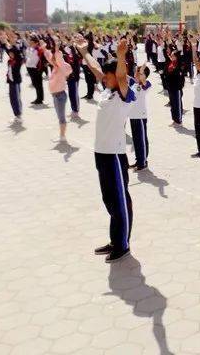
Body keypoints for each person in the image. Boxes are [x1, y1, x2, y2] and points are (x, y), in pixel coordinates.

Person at [75, 36, 135, 263]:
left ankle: (123, 244)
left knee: (120, 201)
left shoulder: (123, 93)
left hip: (115, 155)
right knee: (109, 199)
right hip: (100, 153)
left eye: (109, 77)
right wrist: (84, 51)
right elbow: (96, 68)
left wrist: (120, 56)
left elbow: (120, 75)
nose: (105, 78)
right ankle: (115, 239)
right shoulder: (107, 89)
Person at [44, 39, 72, 142]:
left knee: (61, 117)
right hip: (55, 95)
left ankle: (62, 137)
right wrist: (44, 48)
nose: (53, 60)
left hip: (60, 96)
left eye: (55, 58)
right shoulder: (56, 66)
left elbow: (58, 59)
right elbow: (49, 58)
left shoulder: (63, 67)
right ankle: (61, 135)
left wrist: (57, 50)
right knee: (59, 116)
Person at [128, 65, 151, 171]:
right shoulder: (133, 84)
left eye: (140, 73)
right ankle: (139, 160)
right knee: (136, 140)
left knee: (141, 139)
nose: (137, 74)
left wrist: (141, 74)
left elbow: (144, 82)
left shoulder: (146, 85)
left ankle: (143, 162)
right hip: (133, 116)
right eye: (136, 72)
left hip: (140, 116)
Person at [25, 37, 45, 105]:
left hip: (36, 69)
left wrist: (41, 69)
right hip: (30, 68)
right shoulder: (29, 49)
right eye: (30, 42)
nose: (30, 43)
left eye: (32, 42)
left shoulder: (39, 49)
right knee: (35, 84)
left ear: (36, 43)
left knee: (38, 84)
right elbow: (27, 56)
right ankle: (39, 98)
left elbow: (43, 59)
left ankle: (39, 99)